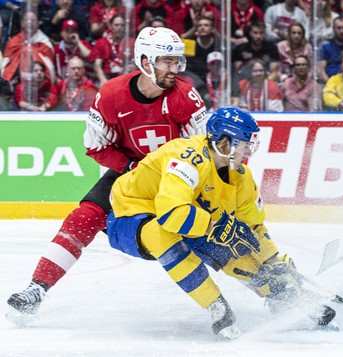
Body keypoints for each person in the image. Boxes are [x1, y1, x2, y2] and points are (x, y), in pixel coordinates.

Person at [6, 26, 209, 325]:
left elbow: (202, 150)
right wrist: (131, 169)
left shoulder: (186, 96)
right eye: (166, 61)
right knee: (84, 217)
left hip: (178, 176)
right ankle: (37, 288)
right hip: (129, 172)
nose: (174, 68)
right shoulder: (112, 95)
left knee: (215, 229)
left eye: (176, 61)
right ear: (144, 61)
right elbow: (95, 146)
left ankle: (272, 285)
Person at [106, 106, 336, 338]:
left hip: (185, 216)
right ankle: (216, 306)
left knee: (234, 252)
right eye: (245, 145)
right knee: (162, 234)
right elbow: (170, 213)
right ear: (225, 143)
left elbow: (253, 227)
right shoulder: (187, 159)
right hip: (129, 213)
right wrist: (214, 228)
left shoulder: (240, 177)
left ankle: (284, 297)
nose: (249, 152)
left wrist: (273, 261)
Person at [89, 14, 135, 86]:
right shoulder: (101, 42)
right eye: (116, 25)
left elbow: (136, 63)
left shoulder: (132, 43)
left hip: (126, 77)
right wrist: (102, 79)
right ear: (110, 26)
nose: (119, 28)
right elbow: (97, 65)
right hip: (107, 77)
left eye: (122, 25)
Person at [316, 15, 343, 84]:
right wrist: (331, 85)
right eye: (338, 28)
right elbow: (321, 71)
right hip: (328, 83)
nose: (342, 31)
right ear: (333, 29)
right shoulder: (325, 46)